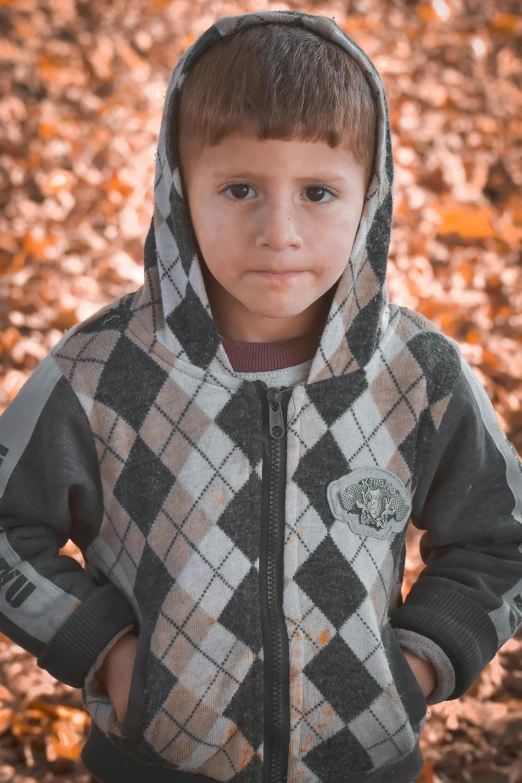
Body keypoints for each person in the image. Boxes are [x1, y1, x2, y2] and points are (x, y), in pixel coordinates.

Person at [0, 9, 521, 783]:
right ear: (179, 187)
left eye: (317, 191)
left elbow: (501, 535)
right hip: (157, 764)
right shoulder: (101, 373)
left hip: (363, 766)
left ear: (370, 197)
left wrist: (412, 668)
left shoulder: (417, 372)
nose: (279, 230)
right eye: (239, 187)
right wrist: (107, 652)